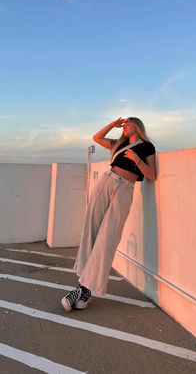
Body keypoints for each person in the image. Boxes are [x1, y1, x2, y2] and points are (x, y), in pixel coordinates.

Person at [61, 116, 157, 312]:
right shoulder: (118, 144)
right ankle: (85, 289)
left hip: (125, 189)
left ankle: (83, 289)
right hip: (107, 181)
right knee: (91, 229)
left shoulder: (147, 147)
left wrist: (136, 159)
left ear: (137, 127)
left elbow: (151, 175)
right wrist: (112, 125)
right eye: (123, 124)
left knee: (108, 238)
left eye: (127, 123)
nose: (125, 126)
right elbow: (97, 137)